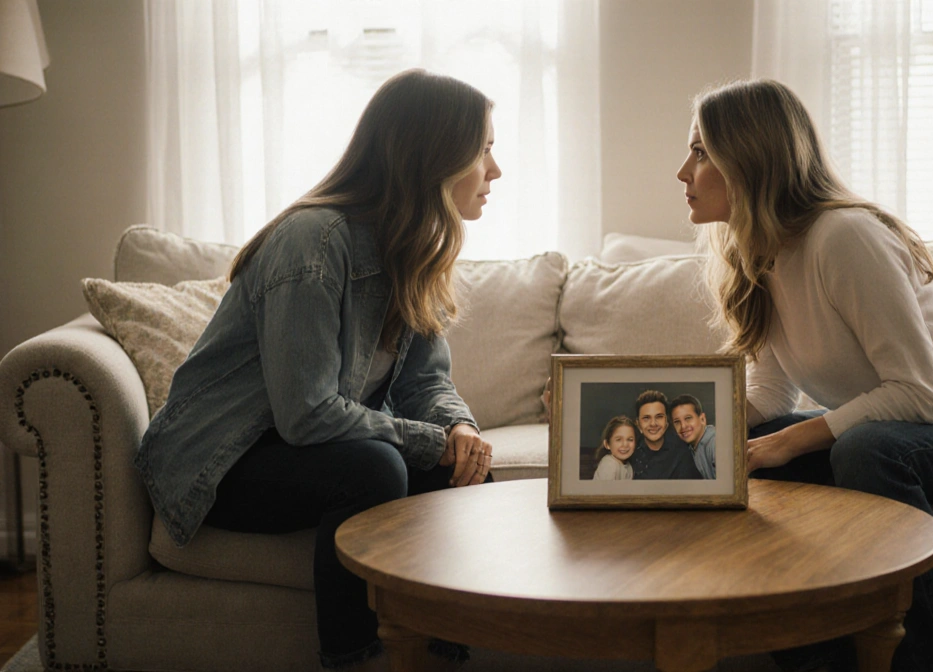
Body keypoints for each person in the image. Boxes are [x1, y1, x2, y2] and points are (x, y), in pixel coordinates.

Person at [676, 79, 933, 672]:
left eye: (700, 153)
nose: (683, 171)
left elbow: (918, 393)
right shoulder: (762, 256)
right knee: (747, 457)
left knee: (866, 449)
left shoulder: (843, 236)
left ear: (747, 159)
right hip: (905, 429)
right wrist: (678, 415)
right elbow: (771, 396)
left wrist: (791, 439)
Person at [135, 69, 502, 672]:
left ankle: (437, 653)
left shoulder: (417, 248)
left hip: (302, 446)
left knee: (466, 475)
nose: (494, 170)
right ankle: (352, 660)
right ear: (433, 154)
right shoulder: (313, 242)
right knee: (375, 466)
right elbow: (307, 415)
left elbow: (425, 381)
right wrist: (427, 442)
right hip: (224, 459)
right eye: (484, 149)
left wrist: (457, 431)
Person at [627, 390, 704, 480]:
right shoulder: (629, 452)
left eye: (659, 417)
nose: (653, 423)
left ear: (667, 422)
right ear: (638, 424)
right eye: (646, 418)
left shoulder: (682, 453)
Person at [669, 394, 716, 479]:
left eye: (688, 418)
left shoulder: (715, 442)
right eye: (677, 422)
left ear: (702, 419)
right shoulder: (690, 448)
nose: (683, 426)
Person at [591, 416, 637, 480]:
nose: (625, 444)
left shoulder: (629, 466)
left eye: (630, 439)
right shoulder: (609, 464)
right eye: (618, 440)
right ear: (607, 444)